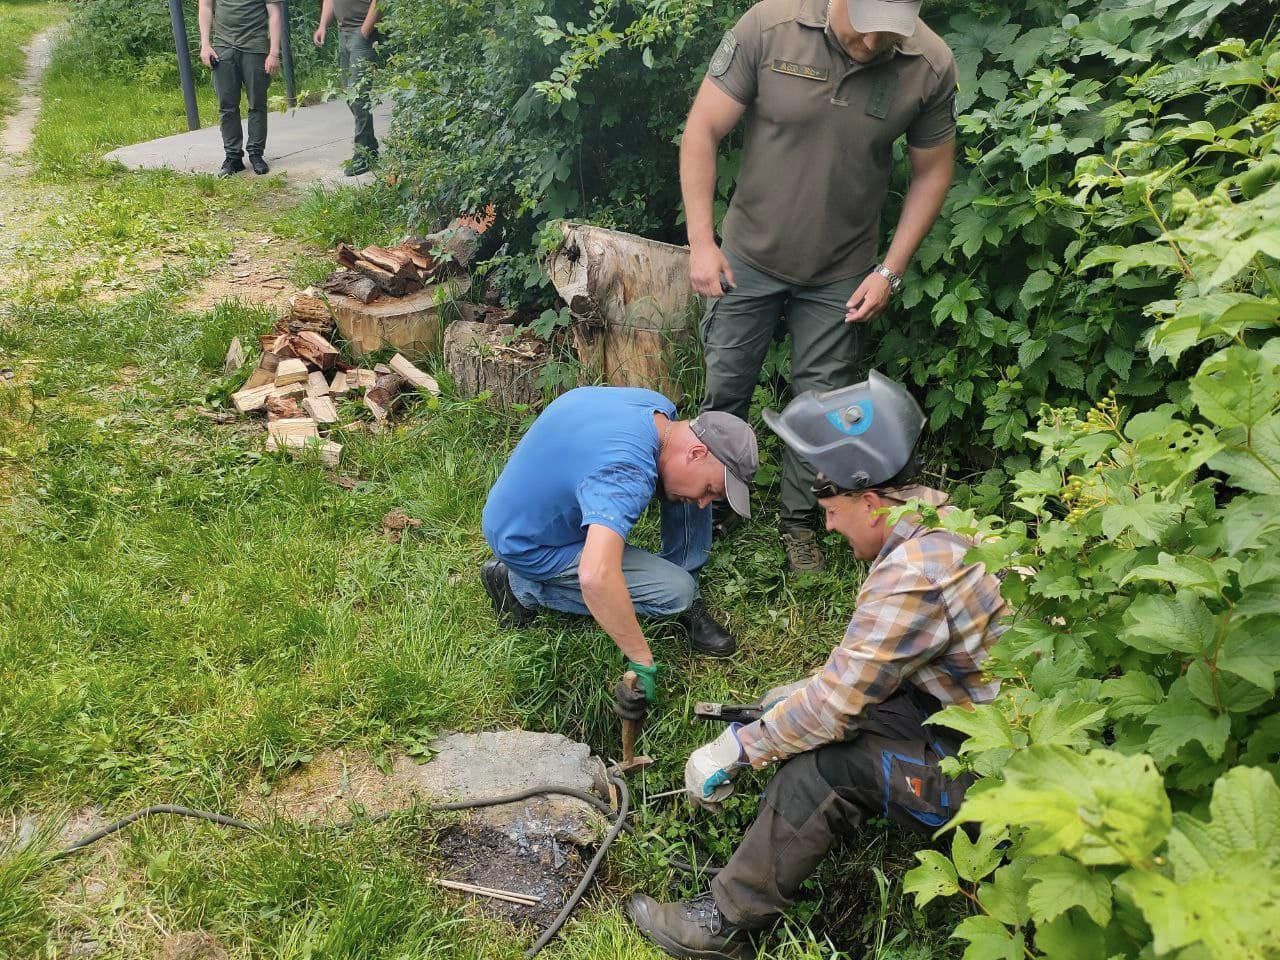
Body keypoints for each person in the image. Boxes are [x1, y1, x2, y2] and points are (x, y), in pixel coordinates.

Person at [626, 372, 1008, 960]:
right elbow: (870, 671)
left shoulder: (912, 576)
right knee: (807, 717)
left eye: (832, 510)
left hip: (996, 788)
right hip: (980, 724)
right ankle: (759, 850)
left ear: (873, 503)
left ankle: (724, 925)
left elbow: (834, 708)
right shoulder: (944, 522)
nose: (826, 524)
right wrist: (799, 701)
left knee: (823, 764)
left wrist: (738, 747)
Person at [681, 0, 958, 572]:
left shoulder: (930, 63)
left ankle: (801, 523)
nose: (876, 41)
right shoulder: (769, 26)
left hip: (842, 272)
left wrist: (890, 270)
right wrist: (702, 242)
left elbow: (933, 171)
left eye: (892, 30)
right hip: (748, 256)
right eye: (867, 25)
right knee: (727, 386)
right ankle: (712, 506)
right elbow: (702, 129)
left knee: (824, 408)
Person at [480, 386, 758, 713]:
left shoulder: (658, 412)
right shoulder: (626, 472)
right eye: (712, 489)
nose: (704, 502)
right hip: (528, 541)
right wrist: (642, 661)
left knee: (684, 489)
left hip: (525, 506)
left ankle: (685, 581)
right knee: (676, 590)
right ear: (697, 452)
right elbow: (596, 576)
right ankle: (519, 585)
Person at [198, 0, 283, 177]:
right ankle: (233, 157)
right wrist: (205, 45)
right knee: (227, 104)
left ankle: (256, 153)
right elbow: (205, 6)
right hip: (223, 46)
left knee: (257, 102)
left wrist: (274, 52)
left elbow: (274, 12)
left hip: (255, 46)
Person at [313, 0, 381, 175]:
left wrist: (364, 31)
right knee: (349, 93)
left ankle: (364, 154)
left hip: (364, 33)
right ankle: (369, 145)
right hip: (343, 33)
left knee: (358, 95)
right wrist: (322, 26)